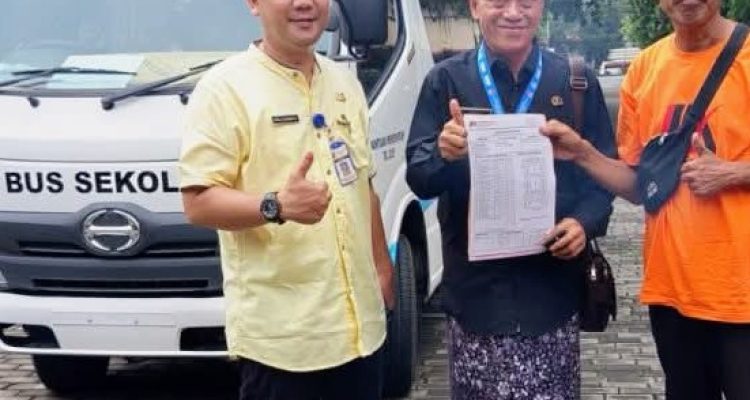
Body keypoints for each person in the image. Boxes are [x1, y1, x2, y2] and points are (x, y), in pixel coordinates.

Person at [178, 0, 394, 399]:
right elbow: (198, 202)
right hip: (284, 345)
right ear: (254, 4)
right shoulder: (224, 88)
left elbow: (363, 187)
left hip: (361, 337)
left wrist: (383, 274)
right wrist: (276, 206)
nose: (304, 4)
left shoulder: (344, 83)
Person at [405, 0, 615, 398]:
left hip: (551, 298)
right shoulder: (445, 81)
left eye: (526, 2)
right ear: (475, 7)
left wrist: (582, 224)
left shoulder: (575, 82)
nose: (513, 13)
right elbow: (418, 178)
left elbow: (602, 179)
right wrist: (441, 153)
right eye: (499, 2)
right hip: (476, 302)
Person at [540, 1, 750, 399]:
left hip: (742, 293)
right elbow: (639, 186)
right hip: (672, 290)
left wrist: (735, 173)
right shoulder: (645, 69)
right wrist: (582, 152)